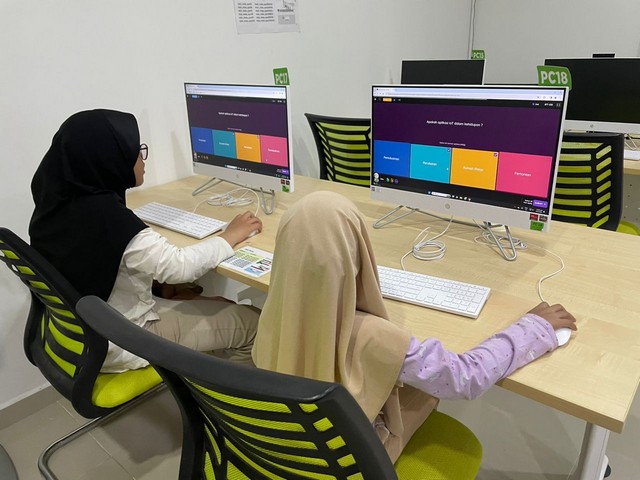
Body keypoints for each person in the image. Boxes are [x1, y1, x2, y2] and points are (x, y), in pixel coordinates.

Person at [252, 190, 577, 463]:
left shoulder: (275, 311)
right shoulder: (373, 336)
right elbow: (465, 377)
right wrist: (535, 327)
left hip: (287, 446)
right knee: (423, 392)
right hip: (348, 460)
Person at [29, 109, 263, 372]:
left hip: (84, 328)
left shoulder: (55, 201)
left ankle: (208, 372)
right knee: (255, 324)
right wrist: (229, 235)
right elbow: (179, 266)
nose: (142, 158)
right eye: (135, 151)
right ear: (110, 160)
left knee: (216, 304)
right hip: (121, 339)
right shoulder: (109, 219)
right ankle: (227, 395)